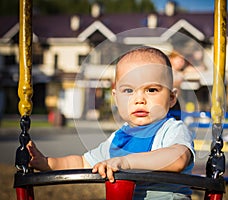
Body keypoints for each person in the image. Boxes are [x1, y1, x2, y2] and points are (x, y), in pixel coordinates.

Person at [27, 46, 195, 199]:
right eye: (128, 90)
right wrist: (47, 163)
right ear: (116, 97)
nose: (139, 99)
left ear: (172, 98)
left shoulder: (172, 129)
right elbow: (83, 162)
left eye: (151, 90)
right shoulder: (118, 138)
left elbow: (178, 159)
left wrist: (127, 162)